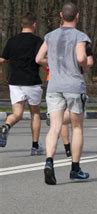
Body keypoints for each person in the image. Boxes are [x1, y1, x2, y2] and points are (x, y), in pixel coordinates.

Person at [36, 2, 92, 184]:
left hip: (54, 86)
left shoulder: (50, 36)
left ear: (61, 15)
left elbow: (38, 58)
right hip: (74, 86)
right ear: (78, 16)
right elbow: (82, 58)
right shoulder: (80, 36)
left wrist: (51, 63)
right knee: (77, 127)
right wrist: (83, 65)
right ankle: (75, 169)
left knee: (54, 127)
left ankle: (49, 162)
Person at [0, 12, 44, 155]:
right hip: (31, 81)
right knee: (35, 113)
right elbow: (41, 59)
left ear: (21, 25)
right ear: (34, 25)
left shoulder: (12, 41)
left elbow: (2, 59)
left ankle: (6, 125)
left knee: (17, 114)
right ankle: (35, 146)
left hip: (15, 82)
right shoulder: (38, 41)